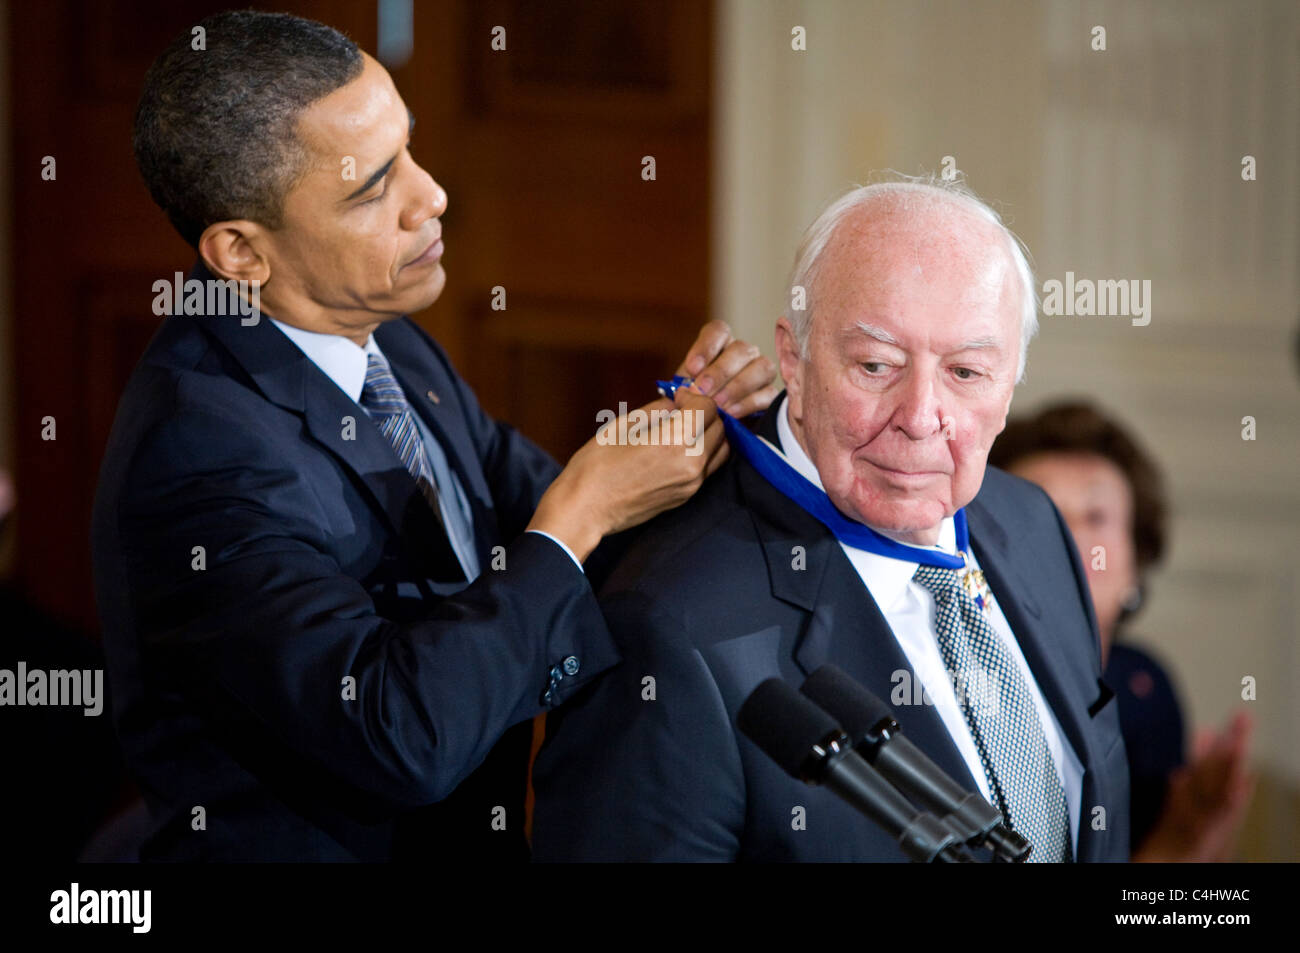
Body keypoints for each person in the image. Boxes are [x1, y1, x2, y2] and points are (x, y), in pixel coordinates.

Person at [91, 11, 776, 862]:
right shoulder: (198, 457)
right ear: (240, 252)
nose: (432, 196)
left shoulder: (384, 334)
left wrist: (704, 423)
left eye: (409, 147)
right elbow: (400, 734)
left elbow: (546, 526)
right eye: (373, 188)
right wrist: (577, 516)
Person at [532, 177, 1130, 862]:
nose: (920, 417)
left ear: (1013, 378)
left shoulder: (1033, 526)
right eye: (877, 365)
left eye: (966, 373)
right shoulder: (668, 630)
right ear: (794, 354)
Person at [990, 402, 1254, 861]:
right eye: (1040, 511)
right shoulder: (947, 676)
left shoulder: (1144, 689)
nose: (1068, 539)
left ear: (1136, 562)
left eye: (1095, 517)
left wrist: (1192, 826)